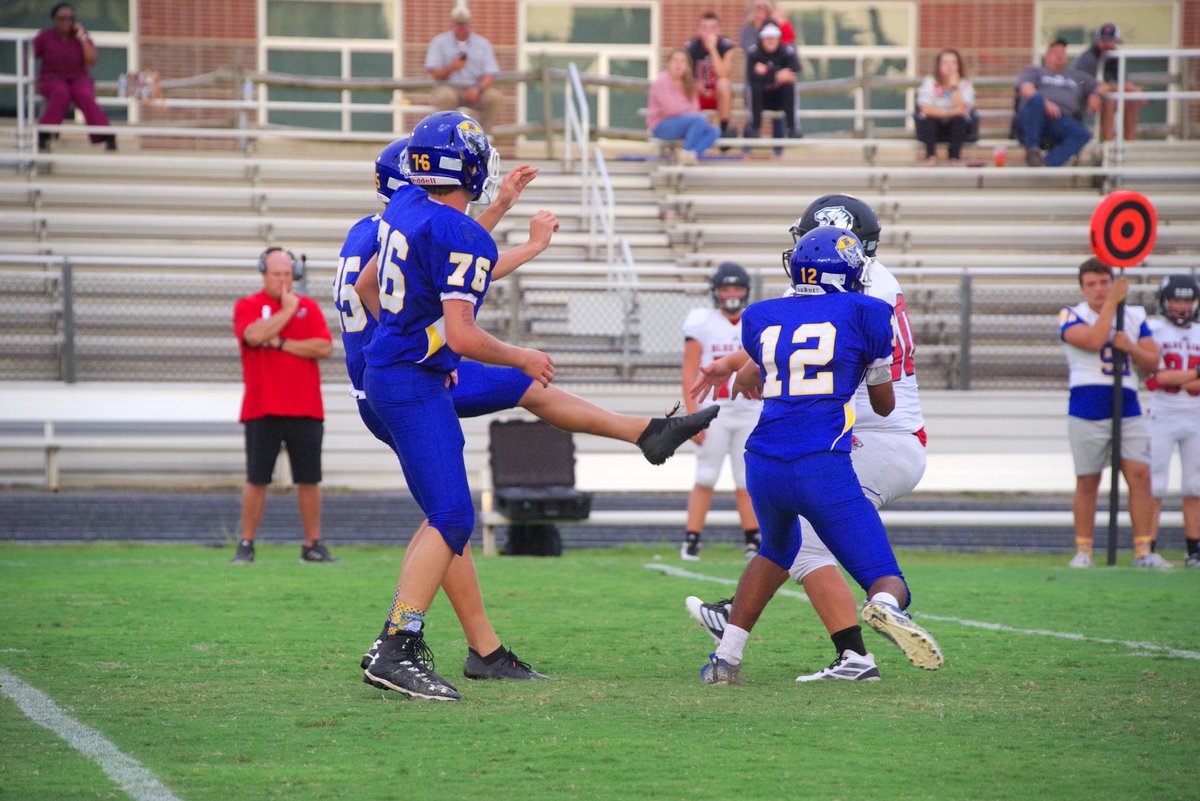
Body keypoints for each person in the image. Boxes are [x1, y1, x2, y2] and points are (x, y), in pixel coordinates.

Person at [338, 138, 719, 681]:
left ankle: (646, 433)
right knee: (450, 516)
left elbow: (412, 273)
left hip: (394, 373)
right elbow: (458, 275)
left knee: (457, 502)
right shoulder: (418, 224)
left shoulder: (394, 219)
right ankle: (402, 642)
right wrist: (447, 346)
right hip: (402, 383)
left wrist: (424, 342)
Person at [687, 194, 939, 681]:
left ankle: (763, 647)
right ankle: (863, 636)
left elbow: (779, 352)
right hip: (849, 436)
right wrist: (734, 365)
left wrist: (742, 368)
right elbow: (795, 350)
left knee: (795, 546)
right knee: (802, 547)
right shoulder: (865, 292)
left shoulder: (850, 297)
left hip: (859, 438)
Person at [231, 247, 335, 564]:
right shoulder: (248, 305)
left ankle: (312, 544)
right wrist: (287, 312)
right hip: (262, 407)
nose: (283, 280)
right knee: (257, 479)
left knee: (309, 479)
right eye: (277, 274)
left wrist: (280, 343)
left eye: (288, 274)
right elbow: (253, 335)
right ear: (263, 274)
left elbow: (323, 347)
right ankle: (246, 543)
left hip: (305, 407)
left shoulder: (310, 308)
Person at [1059, 258, 1160, 568]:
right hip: (1087, 404)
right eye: (1091, 284)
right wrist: (1112, 305)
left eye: (1104, 283)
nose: (1099, 290)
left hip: (1127, 402)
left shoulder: (1134, 315)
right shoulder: (1072, 314)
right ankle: (1084, 550)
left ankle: (1143, 550)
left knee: (1140, 475)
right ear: (1082, 288)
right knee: (1088, 479)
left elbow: (1152, 361)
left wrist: (1130, 347)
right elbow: (1093, 340)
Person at [679, 263, 762, 562]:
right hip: (714, 411)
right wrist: (692, 416)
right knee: (705, 475)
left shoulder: (755, 320)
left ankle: (753, 540)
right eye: (725, 288)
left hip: (750, 410)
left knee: (746, 480)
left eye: (736, 287)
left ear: (745, 291)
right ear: (716, 291)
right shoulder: (702, 321)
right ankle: (691, 540)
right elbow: (689, 371)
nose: (731, 294)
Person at [1144, 275, 1200, 568]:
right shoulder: (1153, 331)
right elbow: (1159, 377)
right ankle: (1147, 547)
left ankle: (1195, 550)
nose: (1181, 306)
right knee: (1155, 483)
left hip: (1196, 415)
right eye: (1176, 299)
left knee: (1195, 485)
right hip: (1162, 413)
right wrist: (1195, 374)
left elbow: (1174, 379)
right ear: (1164, 301)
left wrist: (1179, 379)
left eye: (1187, 300)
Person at [33, 3, 115, 151]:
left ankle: (105, 134)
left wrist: (81, 38)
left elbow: (92, 61)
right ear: (54, 20)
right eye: (62, 18)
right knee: (61, 94)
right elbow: (28, 55)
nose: (66, 22)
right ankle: (46, 132)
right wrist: (29, 76)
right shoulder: (45, 37)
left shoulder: (82, 37)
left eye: (70, 18)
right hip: (52, 77)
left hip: (78, 77)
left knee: (84, 95)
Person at [1015, 38, 1101, 167]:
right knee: (1036, 100)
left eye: (1063, 52)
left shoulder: (1076, 76)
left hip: (1059, 119)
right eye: (1055, 52)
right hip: (1034, 116)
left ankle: (1046, 165)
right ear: (1046, 56)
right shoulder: (1035, 71)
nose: (1060, 56)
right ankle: (1032, 151)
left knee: (1082, 134)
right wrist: (1046, 103)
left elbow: (1102, 86)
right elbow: (1026, 89)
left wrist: (1095, 94)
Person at [424, 6, 503, 131]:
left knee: (494, 97)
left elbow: (491, 73)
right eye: (458, 24)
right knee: (445, 96)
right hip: (449, 87)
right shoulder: (439, 42)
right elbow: (434, 74)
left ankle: (482, 136)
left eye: (464, 24)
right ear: (452, 24)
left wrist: (478, 88)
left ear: (470, 24)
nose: (461, 27)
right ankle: (447, 135)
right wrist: (452, 67)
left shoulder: (482, 44)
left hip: (475, 88)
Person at [1072, 23, 1144, 143]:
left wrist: (1133, 90)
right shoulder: (1089, 58)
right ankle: (1108, 141)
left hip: (1097, 94)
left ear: (1116, 41)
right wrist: (1125, 87)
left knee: (1131, 99)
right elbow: (1093, 86)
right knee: (1109, 99)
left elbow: (1124, 83)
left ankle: (1129, 141)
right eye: (1103, 40)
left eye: (1110, 40)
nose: (1107, 44)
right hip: (1081, 97)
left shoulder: (1115, 56)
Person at [647, 49, 722, 163]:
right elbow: (671, 109)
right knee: (700, 119)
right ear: (669, 63)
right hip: (662, 125)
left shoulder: (689, 83)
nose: (679, 64)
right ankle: (686, 153)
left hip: (684, 124)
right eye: (675, 60)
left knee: (714, 131)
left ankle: (690, 155)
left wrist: (682, 108)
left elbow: (695, 109)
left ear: (687, 66)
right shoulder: (662, 81)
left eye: (683, 61)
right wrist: (686, 106)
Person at [743, 23, 801, 153]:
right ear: (762, 39)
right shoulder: (754, 53)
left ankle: (792, 127)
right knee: (754, 87)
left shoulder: (786, 52)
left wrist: (768, 72)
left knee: (789, 86)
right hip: (761, 99)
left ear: (779, 39)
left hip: (780, 99)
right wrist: (777, 75)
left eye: (773, 38)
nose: (770, 41)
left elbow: (793, 74)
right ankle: (755, 127)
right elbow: (752, 77)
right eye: (767, 38)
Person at [915, 49, 975, 166]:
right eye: (945, 63)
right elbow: (925, 109)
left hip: (955, 125)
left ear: (959, 65)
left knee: (959, 121)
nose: (949, 66)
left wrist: (953, 87)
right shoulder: (930, 82)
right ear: (938, 65)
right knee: (928, 120)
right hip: (934, 124)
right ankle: (931, 157)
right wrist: (949, 112)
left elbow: (963, 109)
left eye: (953, 63)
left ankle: (954, 158)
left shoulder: (965, 84)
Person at [683, 12, 736, 140]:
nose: (708, 32)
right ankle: (694, 131)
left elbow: (724, 74)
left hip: (717, 95)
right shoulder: (691, 47)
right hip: (698, 94)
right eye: (704, 28)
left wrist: (712, 49)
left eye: (713, 28)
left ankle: (724, 128)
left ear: (719, 30)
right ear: (698, 30)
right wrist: (696, 85)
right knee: (689, 87)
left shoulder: (725, 46)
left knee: (724, 83)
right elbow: (684, 76)